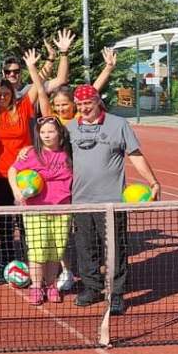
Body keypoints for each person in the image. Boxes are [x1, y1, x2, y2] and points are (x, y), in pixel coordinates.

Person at [67, 84, 162, 315]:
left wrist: (153, 182)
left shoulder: (119, 125)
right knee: (85, 247)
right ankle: (91, 288)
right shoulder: (70, 128)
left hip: (111, 202)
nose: (83, 108)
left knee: (115, 248)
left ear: (98, 101)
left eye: (87, 103)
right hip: (80, 200)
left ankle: (117, 293)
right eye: (79, 104)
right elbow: (52, 151)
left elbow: (135, 155)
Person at [0, 41, 51, 274]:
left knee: (26, 221)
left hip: (25, 174)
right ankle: (7, 261)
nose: (3, 96)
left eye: (6, 93)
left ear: (12, 94)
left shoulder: (24, 107)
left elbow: (39, 87)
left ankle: (32, 262)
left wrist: (34, 66)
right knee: (5, 221)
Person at [10, 116, 73, 304]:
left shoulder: (69, 153)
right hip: (36, 210)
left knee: (56, 251)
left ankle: (51, 285)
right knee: (38, 250)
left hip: (62, 209)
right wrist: (16, 191)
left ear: (59, 133)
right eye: (43, 132)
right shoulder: (31, 154)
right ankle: (36, 287)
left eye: (51, 131)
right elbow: (12, 170)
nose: (46, 135)